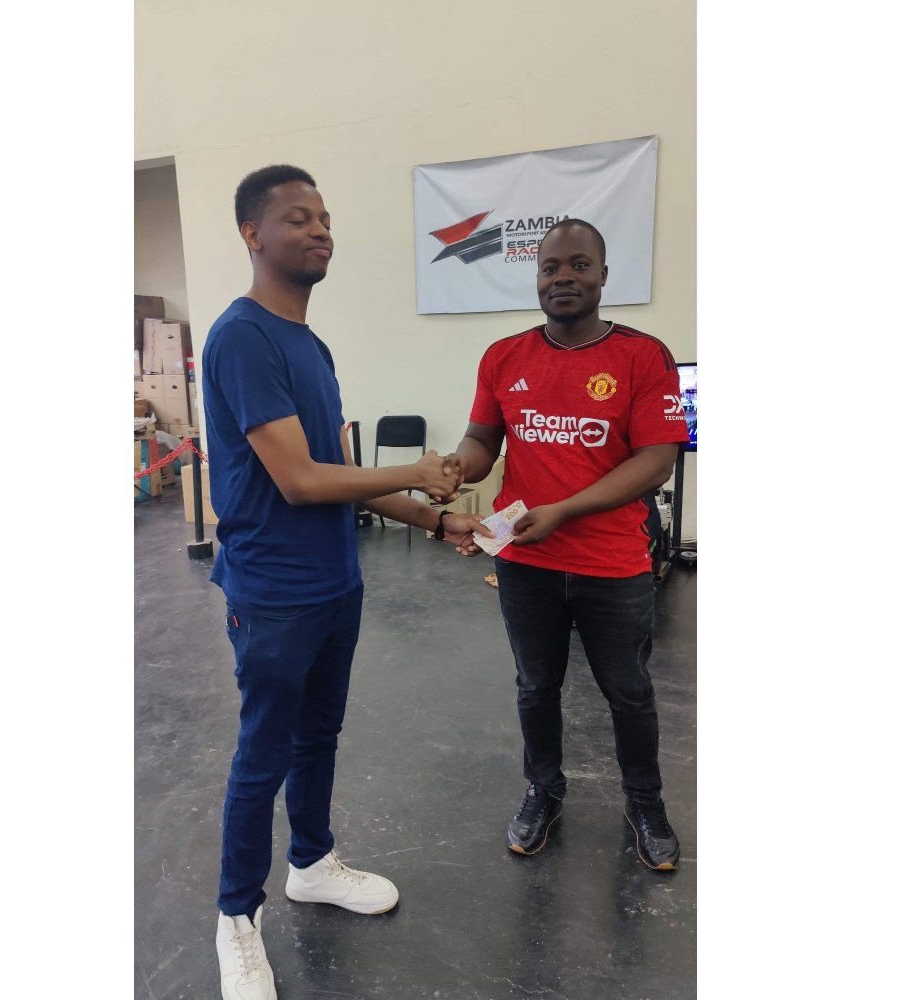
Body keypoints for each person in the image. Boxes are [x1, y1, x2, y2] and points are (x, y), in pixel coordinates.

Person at [201, 164, 488, 1000]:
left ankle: (312, 863)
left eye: (324, 217)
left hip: (334, 582)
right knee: (263, 753)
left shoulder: (311, 345)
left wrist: (434, 518)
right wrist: (419, 470)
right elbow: (297, 482)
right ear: (253, 234)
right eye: (297, 217)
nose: (320, 229)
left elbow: (335, 472)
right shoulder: (242, 337)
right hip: (273, 592)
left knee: (318, 736)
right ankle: (235, 918)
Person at [442, 218, 689, 871]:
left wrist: (566, 510)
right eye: (551, 267)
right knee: (536, 687)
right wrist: (456, 468)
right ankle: (543, 791)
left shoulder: (642, 356)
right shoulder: (504, 357)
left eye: (579, 265)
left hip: (613, 563)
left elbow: (657, 460)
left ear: (604, 275)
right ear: (537, 277)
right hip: (526, 560)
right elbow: (482, 440)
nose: (564, 278)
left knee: (629, 693)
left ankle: (645, 803)